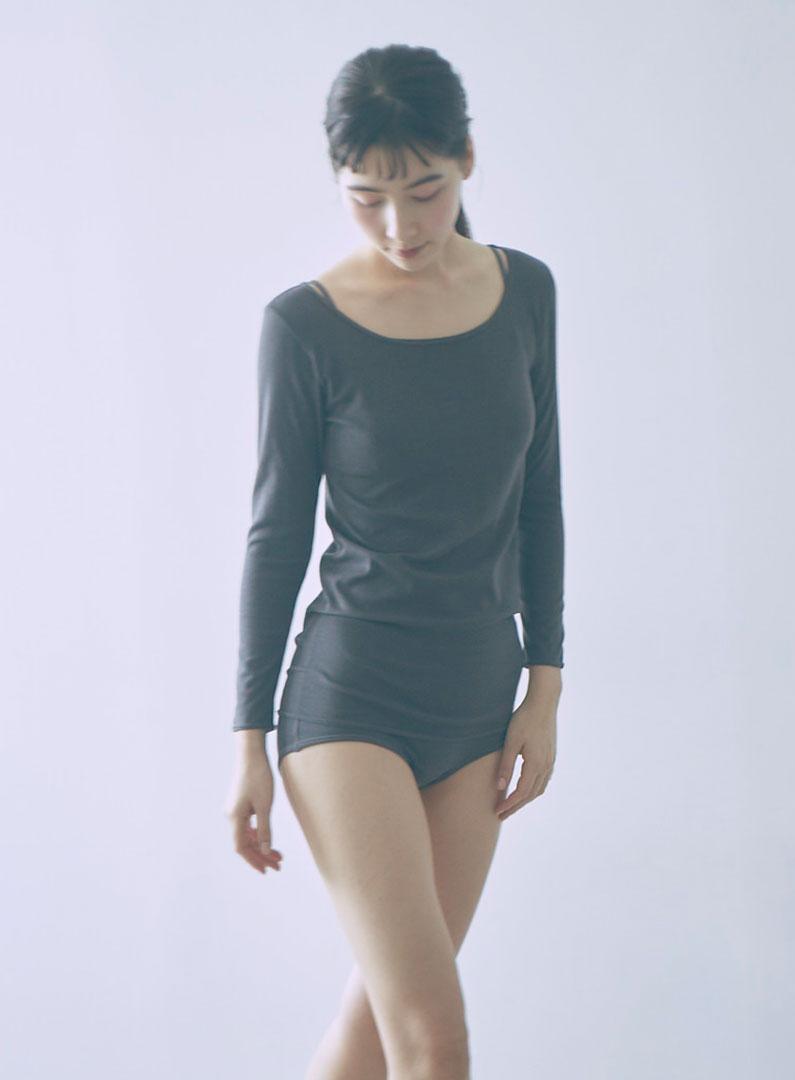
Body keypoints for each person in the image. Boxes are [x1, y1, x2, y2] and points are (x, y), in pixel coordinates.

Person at [225, 43, 565, 1080]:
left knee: (380, 1025)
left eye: (424, 192)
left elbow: (540, 499)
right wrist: (250, 740)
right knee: (433, 1033)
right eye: (366, 198)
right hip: (349, 698)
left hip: (478, 699)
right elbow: (276, 536)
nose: (399, 226)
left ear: (467, 159)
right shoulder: (305, 325)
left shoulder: (525, 292)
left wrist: (544, 688)